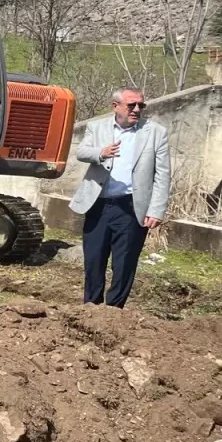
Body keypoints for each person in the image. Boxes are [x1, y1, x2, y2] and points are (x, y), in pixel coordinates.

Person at [69, 88, 170, 308]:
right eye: (131, 105)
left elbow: (163, 174)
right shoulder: (97, 127)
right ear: (115, 107)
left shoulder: (155, 132)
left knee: (124, 263)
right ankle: (91, 307)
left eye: (140, 106)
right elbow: (81, 152)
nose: (136, 110)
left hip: (132, 207)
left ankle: (114, 311)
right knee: (94, 260)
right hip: (99, 204)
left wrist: (156, 210)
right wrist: (101, 153)